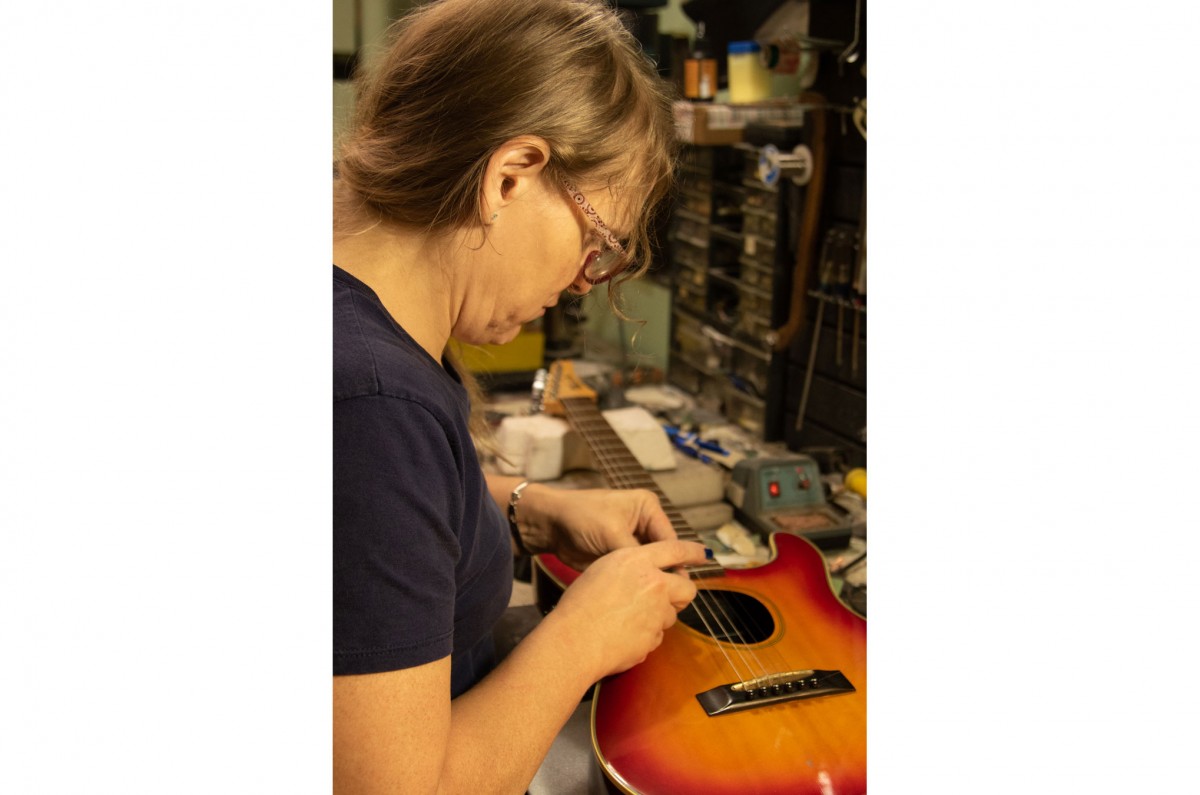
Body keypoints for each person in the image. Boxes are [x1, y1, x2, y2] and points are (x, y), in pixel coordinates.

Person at [332, 0, 707, 791]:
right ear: (510, 176)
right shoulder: (371, 405)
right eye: (597, 241)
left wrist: (520, 503)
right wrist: (581, 636)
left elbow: (366, 525)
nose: (581, 282)